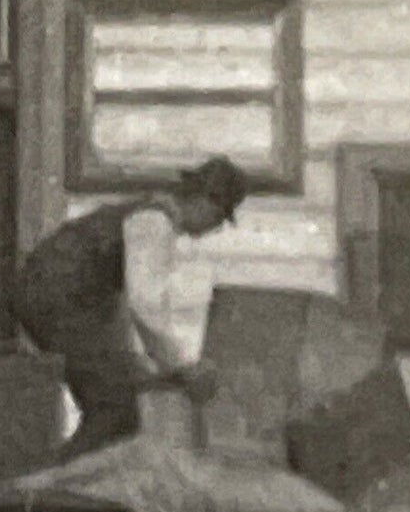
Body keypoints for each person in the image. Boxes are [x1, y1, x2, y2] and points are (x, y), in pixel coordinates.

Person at [13, 154, 249, 460]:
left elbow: (125, 309)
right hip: (55, 300)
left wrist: (155, 364)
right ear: (205, 201)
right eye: (218, 219)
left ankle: (62, 484)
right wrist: (180, 365)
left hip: (61, 299)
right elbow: (146, 306)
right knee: (117, 407)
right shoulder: (154, 222)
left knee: (119, 398)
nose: (212, 230)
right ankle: (54, 488)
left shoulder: (150, 215)